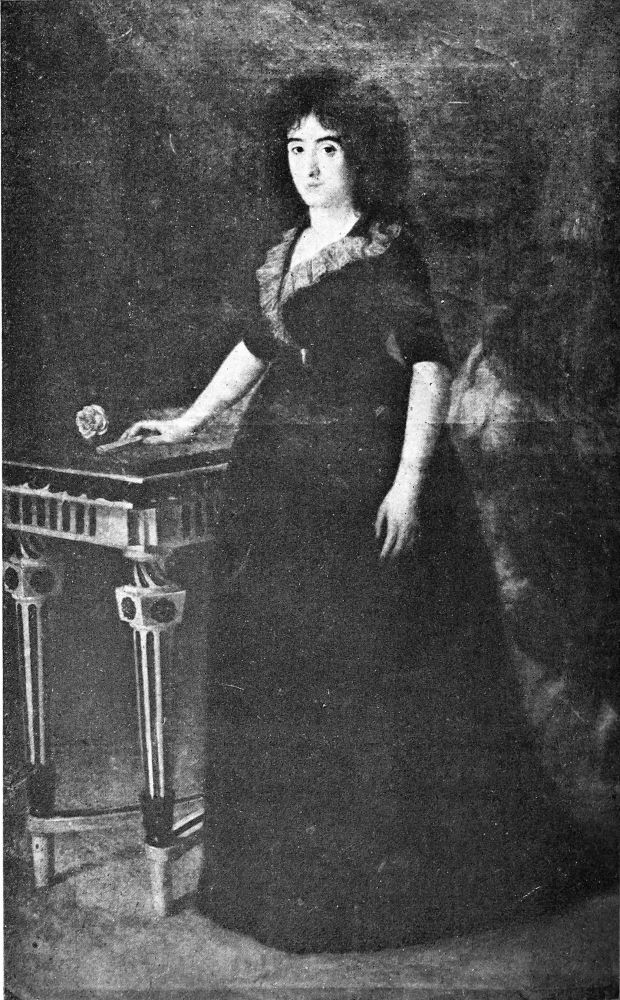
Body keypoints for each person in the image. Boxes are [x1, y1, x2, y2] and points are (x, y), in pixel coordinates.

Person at [120, 70, 611, 953]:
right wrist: (189, 420)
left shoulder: (388, 251)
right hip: (279, 482)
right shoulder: (285, 251)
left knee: (365, 674)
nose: (309, 166)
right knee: (285, 669)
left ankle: (372, 893)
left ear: (362, 158)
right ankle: (286, 884)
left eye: (329, 148)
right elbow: (256, 349)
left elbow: (429, 365)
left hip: (364, 479)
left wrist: (408, 482)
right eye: (296, 148)